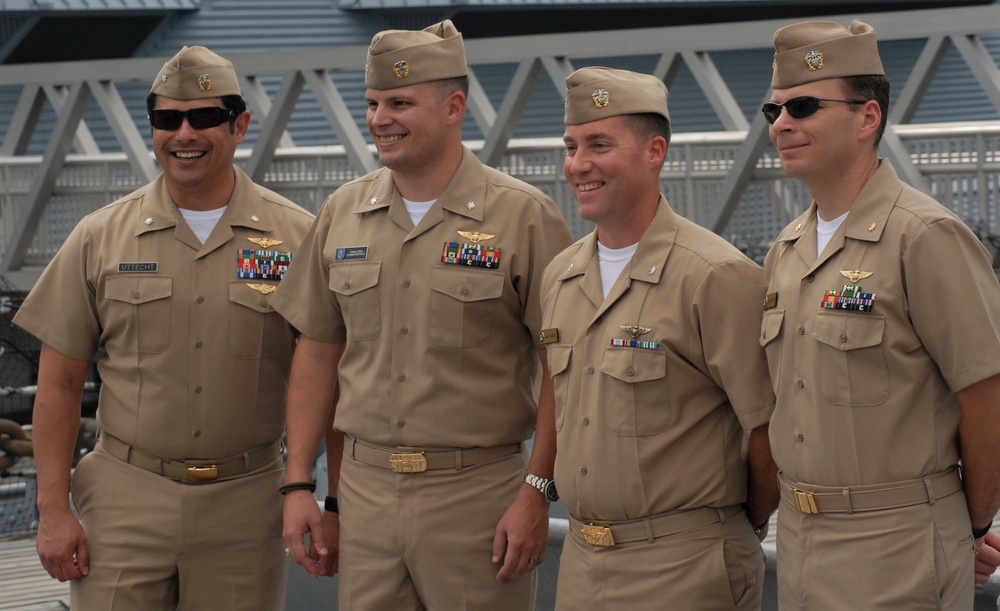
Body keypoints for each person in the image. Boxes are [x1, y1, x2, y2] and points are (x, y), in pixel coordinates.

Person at [271, 19, 573, 610]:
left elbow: (562, 364)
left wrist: (537, 492)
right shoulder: (342, 212)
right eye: (374, 103)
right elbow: (318, 353)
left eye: (401, 102)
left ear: (454, 106)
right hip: (364, 496)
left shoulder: (524, 217)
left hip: (479, 495)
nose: (380, 118)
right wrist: (302, 485)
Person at [14, 46, 314, 610]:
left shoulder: (298, 240)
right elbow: (57, 385)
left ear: (239, 125)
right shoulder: (98, 238)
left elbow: (328, 375)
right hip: (125, 500)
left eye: (203, 118)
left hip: (246, 502)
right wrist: (54, 511)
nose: (184, 134)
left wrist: (321, 495)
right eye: (167, 119)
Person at [760, 20, 1000, 608]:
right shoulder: (785, 252)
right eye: (774, 111)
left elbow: (987, 394)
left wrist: (964, 524)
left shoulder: (924, 236)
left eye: (805, 106)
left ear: (868, 119)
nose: (783, 124)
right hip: (798, 538)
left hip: (898, 548)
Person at [540, 66, 779, 610]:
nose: (579, 164)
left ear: (655, 152)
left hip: (684, 568)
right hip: (582, 563)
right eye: (572, 145)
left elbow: (768, 430)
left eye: (600, 144)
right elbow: (559, 397)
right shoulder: (561, 276)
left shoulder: (714, 275)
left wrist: (741, 520)